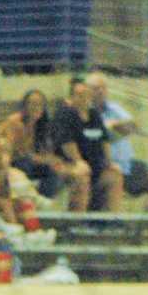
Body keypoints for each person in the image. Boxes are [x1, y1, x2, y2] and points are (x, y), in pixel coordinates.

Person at [46, 77, 115, 212]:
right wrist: (78, 161)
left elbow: (104, 140)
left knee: (114, 176)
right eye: (79, 95)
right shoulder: (65, 113)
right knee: (82, 175)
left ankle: (114, 221)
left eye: (86, 95)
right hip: (65, 164)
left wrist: (109, 162)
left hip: (94, 165)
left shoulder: (94, 114)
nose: (83, 98)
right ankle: (78, 222)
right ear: (72, 97)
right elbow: (67, 143)